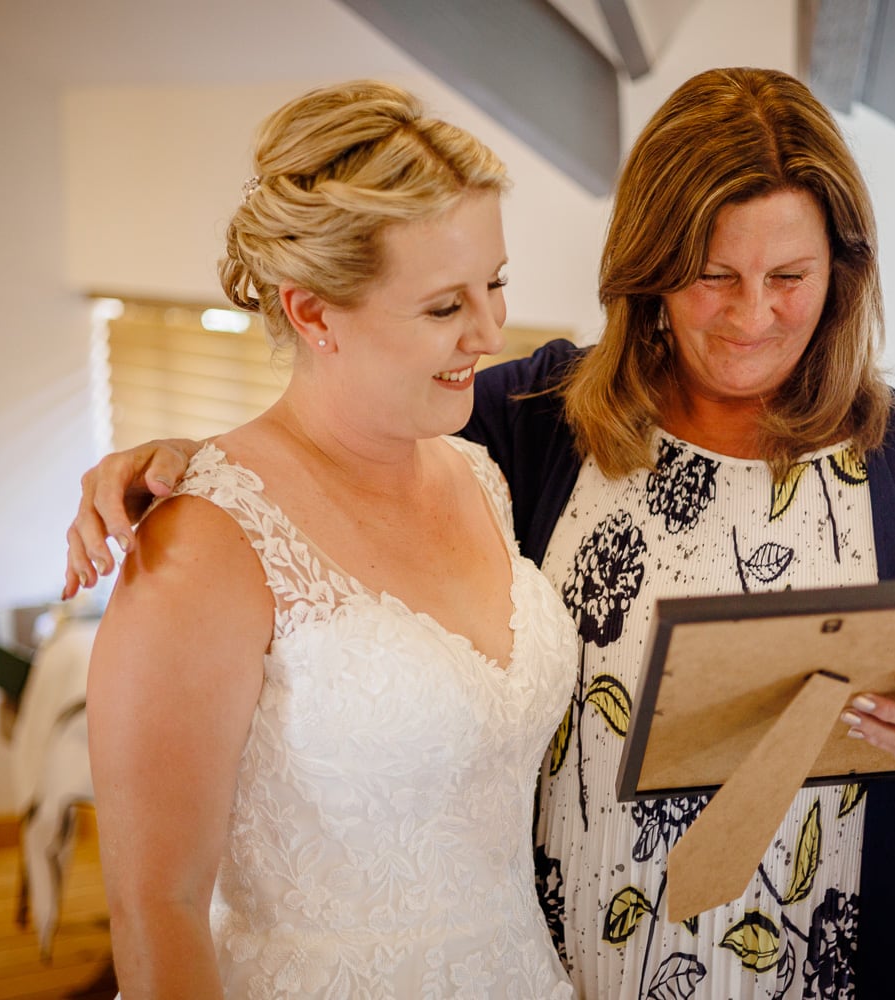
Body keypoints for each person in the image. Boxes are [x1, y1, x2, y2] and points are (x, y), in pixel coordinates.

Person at [67, 67, 895, 999]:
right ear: (652, 266)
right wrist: (186, 461)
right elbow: (339, 448)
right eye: (713, 274)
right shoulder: (536, 425)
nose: (753, 315)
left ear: (842, 272)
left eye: (791, 276)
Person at [81, 81, 578, 998]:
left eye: (496, 283)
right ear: (312, 313)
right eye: (444, 308)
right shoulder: (202, 542)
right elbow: (159, 907)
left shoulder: (483, 477)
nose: (490, 331)